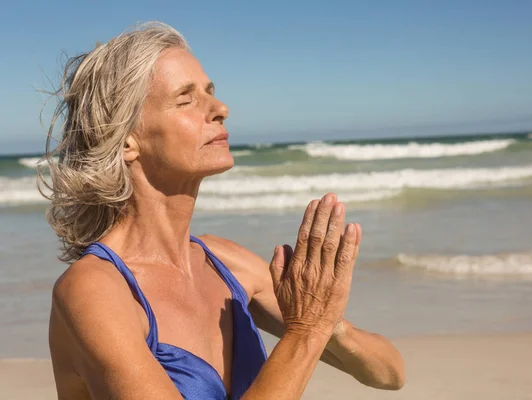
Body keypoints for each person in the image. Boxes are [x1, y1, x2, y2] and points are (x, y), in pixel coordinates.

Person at [42, 22, 405, 400]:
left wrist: (329, 321)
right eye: (186, 99)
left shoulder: (227, 265)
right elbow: (308, 329)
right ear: (127, 140)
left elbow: (390, 373)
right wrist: (307, 331)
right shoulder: (94, 290)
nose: (220, 109)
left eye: (210, 92)